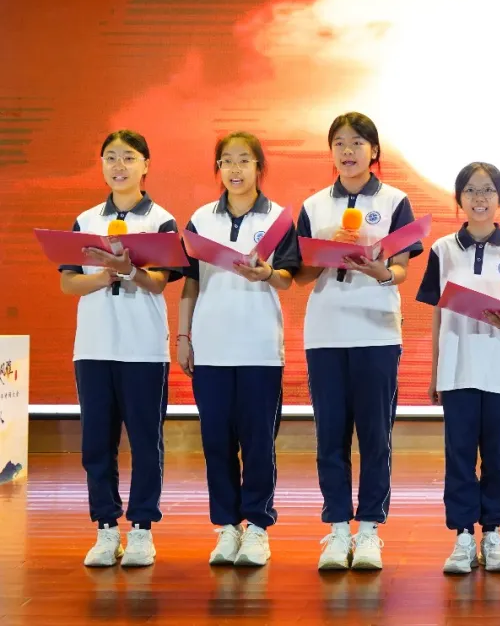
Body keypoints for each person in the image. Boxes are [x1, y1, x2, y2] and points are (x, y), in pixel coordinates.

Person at [294, 112, 423, 571]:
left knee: (374, 435)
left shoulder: (395, 201)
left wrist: (381, 270)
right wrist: (326, 248)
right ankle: (336, 530)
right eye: (339, 144)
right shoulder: (313, 205)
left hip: (376, 331)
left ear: (374, 151)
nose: (347, 151)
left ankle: (368, 529)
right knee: (330, 435)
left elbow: (401, 269)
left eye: (357, 143)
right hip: (325, 332)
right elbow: (300, 275)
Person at [177, 131, 300, 568]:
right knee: (216, 442)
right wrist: (183, 336)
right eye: (226, 161)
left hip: (259, 348)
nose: (234, 169)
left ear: (258, 167)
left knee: (258, 442)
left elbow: (288, 277)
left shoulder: (279, 219)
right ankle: (227, 526)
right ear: (218, 169)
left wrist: (266, 273)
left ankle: (258, 527)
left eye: (244, 160)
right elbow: (190, 282)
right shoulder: (200, 219)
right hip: (211, 347)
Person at [60, 130, 181, 567]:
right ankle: (106, 528)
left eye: (128, 157)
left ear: (145, 165)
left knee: (146, 442)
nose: (119, 166)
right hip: (93, 346)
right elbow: (68, 282)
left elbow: (160, 282)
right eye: (110, 157)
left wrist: (129, 271)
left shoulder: (162, 221)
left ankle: (143, 529)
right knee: (97, 443)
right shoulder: (86, 219)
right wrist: (105, 275)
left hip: (143, 348)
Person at [415, 162, 500, 575]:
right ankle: (463, 536)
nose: (479, 197)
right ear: (459, 199)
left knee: (498, 456)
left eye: (488, 190)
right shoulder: (442, 249)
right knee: (459, 455)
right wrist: (435, 371)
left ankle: (493, 532)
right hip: (457, 365)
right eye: (470, 190)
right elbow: (438, 313)